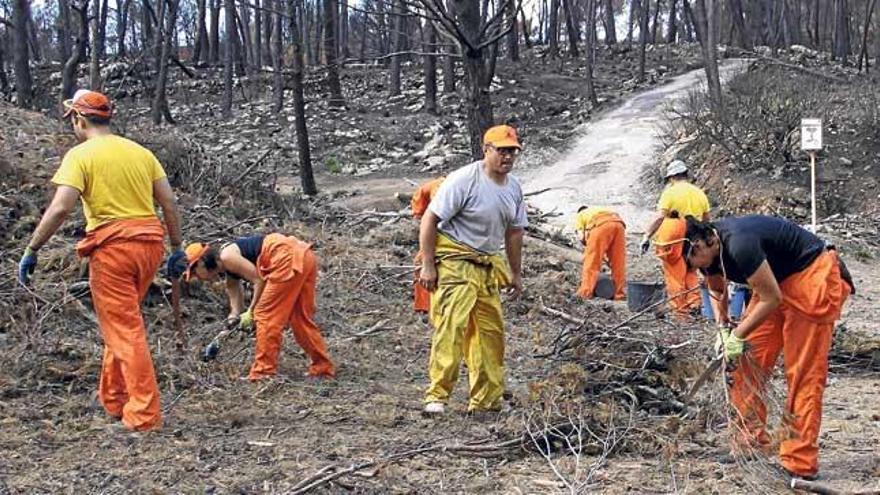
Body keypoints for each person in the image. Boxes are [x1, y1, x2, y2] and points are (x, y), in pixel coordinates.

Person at [17, 89, 183, 432]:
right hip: (150, 246)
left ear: (79, 119)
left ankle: (143, 416)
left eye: (72, 121)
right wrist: (178, 247)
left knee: (125, 328)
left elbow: (61, 207)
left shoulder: (81, 155)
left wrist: (33, 248)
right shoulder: (141, 152)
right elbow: (168, 203)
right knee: (120, 324)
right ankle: (114, 399)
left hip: (113, 249)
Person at [683, 215, 854, 482]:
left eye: (694, 261)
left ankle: (799, 460)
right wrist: (723, 327)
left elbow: (772, 298)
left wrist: (738, 335)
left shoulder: (740, 243)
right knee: (745, 363)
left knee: (803, 374)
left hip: (812, 278)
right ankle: (749, 442)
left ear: (705, 242)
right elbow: (717, 289)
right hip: (772, 284)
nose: (697, 268)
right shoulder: (709, 254)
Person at [418, 124, 527, 415]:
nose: (507, 157)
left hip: (487, 265)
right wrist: (428, 265)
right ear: (486, 150)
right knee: (452, 327)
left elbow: (514, 233)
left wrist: (515, 273)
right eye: (501, 151)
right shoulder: (465, 180)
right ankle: (437, 396)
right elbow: (430, 219)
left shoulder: (513, 188)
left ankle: (485, 401)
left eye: (512, 152)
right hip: (455, 262)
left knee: (491, 334)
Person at [181, 233, 335, 381]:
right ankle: (322, 368)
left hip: (285, 258)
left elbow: (258, 280)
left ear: (202, 262)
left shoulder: (227, 257)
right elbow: (235, 298)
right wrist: (233, 320)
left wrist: (252, 311)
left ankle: (263, 373)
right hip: (302, 255)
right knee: (299, 318)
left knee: (265, 316)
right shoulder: (229, 268)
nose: (197, 278)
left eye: (195, 272)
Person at [641, 160, 709, 317]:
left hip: (675, 239)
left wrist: (647, 236)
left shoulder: (670, 193)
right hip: (695, 238)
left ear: (671, 177)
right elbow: (706, 220)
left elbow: (659, 218)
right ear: (686, 174)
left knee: (675, 275)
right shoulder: (699, 193)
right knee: (691, 271)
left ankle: (681, 313)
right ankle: (695, 304)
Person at [573, 206, 626, 300]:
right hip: (619, 224)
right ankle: (619, 294)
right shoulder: (598, 210)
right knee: (618, 262)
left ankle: (585, 293)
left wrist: (588, 245)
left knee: (591, 262)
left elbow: (581, 236)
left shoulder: (580, 215)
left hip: (601, 225)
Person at [410, 176, 446, 314]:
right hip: (438, 228)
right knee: (422, 263)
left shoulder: (436, 187)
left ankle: (426, 307)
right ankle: (424, 306)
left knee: (422, 263)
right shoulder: (431, 188)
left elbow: (418, 213)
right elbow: (419, 214)